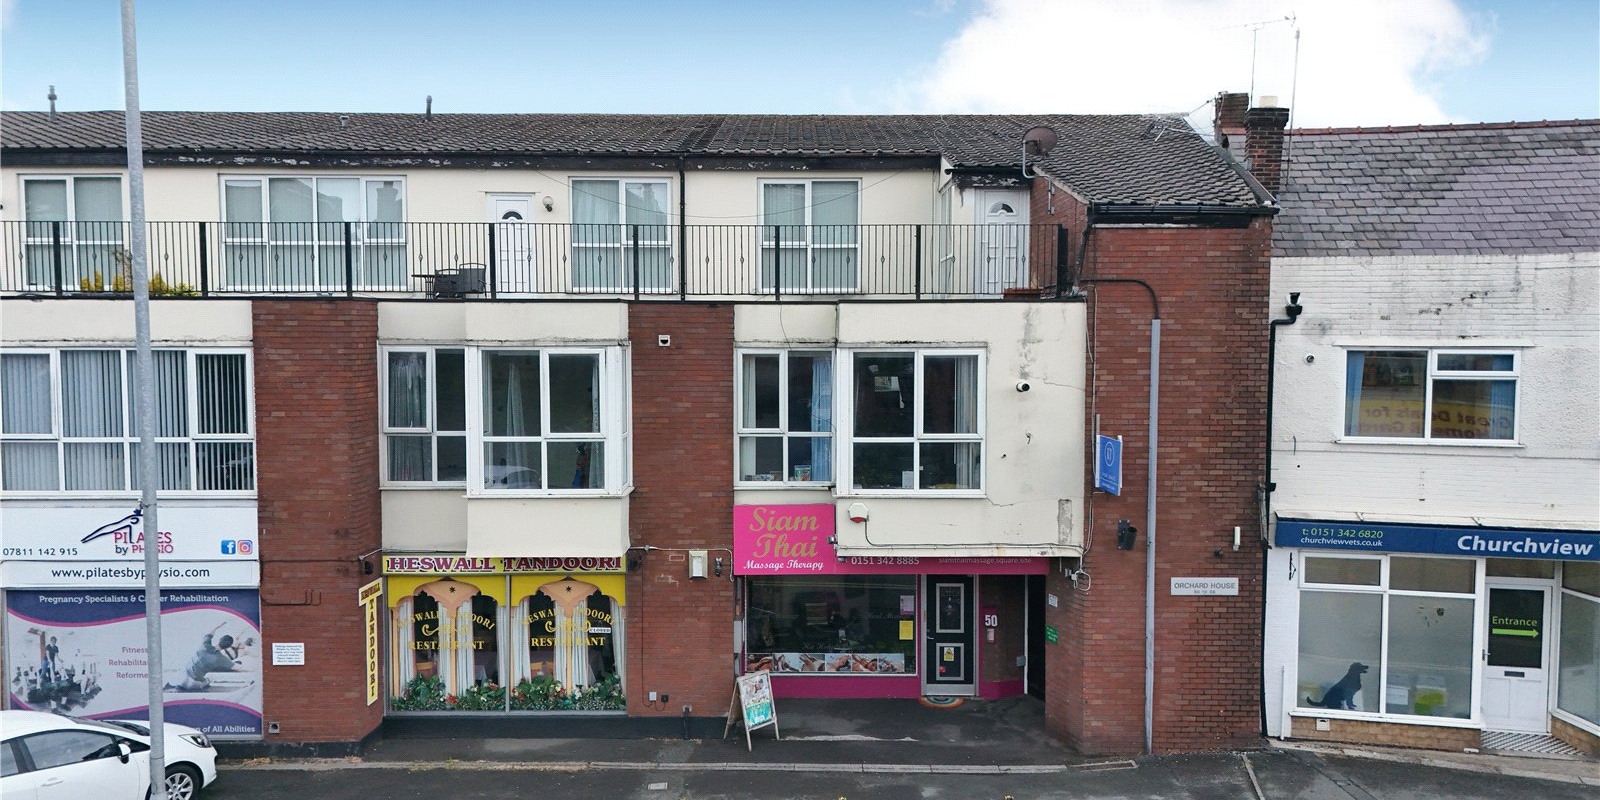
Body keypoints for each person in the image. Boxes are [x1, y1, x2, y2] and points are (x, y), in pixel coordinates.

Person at [165, 633, 240, 692]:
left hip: (182, 677)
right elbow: (238, 667)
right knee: (207, 680)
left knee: (183, 670)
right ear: (227, 647)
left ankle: (177, 687)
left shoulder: (205, 645)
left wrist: (219, 626)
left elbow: (210, 634)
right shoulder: (221, 658)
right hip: (194, 683)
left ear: (220, 639)